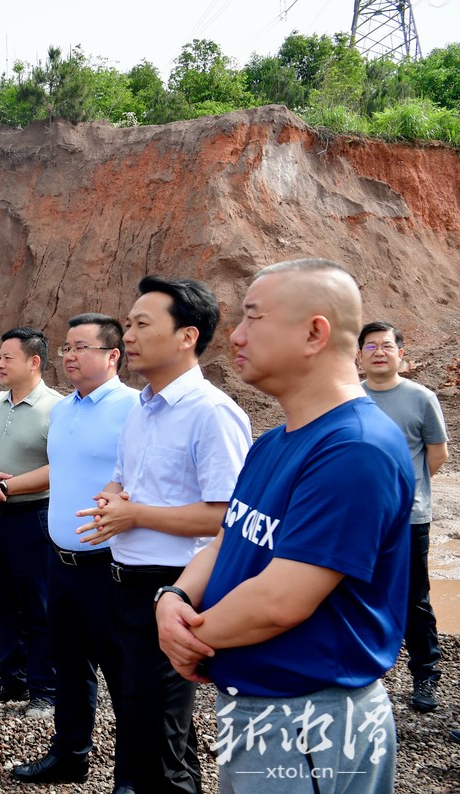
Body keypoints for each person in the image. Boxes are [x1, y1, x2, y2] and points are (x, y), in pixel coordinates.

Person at [157, 259, 413, 792]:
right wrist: (173, 596)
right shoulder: (273, 442)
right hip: (257, 706)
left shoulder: (355, 449)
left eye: (253, 318)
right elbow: (230, 540)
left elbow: (281, 601)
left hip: (310, 719)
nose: (237, 337)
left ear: (314, 333)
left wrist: (186, 637)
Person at [76, 276, 251, 794]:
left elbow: (226, 517)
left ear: (186, 336)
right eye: (128, 324)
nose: (128, 335)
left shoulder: (211, 413)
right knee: (135, 714)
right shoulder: (142, 408)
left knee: (162, 729)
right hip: (124, 580)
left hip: (176, 587)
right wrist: (112, 496)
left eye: (142, 324)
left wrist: (136, 516)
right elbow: (125, 477)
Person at [9, 314, 138, 790]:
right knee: (69, 665)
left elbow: (142, 481)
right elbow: (57, 474)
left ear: (112, 356)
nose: (70, 355)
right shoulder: (61, 410)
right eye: (67, 346)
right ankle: (70, 754)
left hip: (111, 566)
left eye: (81, 347)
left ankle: (130, 774)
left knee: (122, 673)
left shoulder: (133, 409)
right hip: (59, 560)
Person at [0, 327, 63, 719]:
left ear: (33, 361)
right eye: (0, 357)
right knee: (1, 602)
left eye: (8, 357)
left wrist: (4, 485)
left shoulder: (57, 407)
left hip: (35, 519)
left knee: (38, 607)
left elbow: (61, 466)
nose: (0, 363)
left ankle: (46, 689)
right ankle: (13, 679)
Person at [358, 320, 449, 712]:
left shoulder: (421, 398)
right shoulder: (349, 398)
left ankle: (425, 674)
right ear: (359, 356)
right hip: (359, 519)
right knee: (359, 592)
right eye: (371, 346)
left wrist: (406, 489)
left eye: (387, 346)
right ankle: (361, 672)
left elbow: (437, 454)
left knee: (415, 598)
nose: (379, 351)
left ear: (401, 354)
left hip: (409, 518)